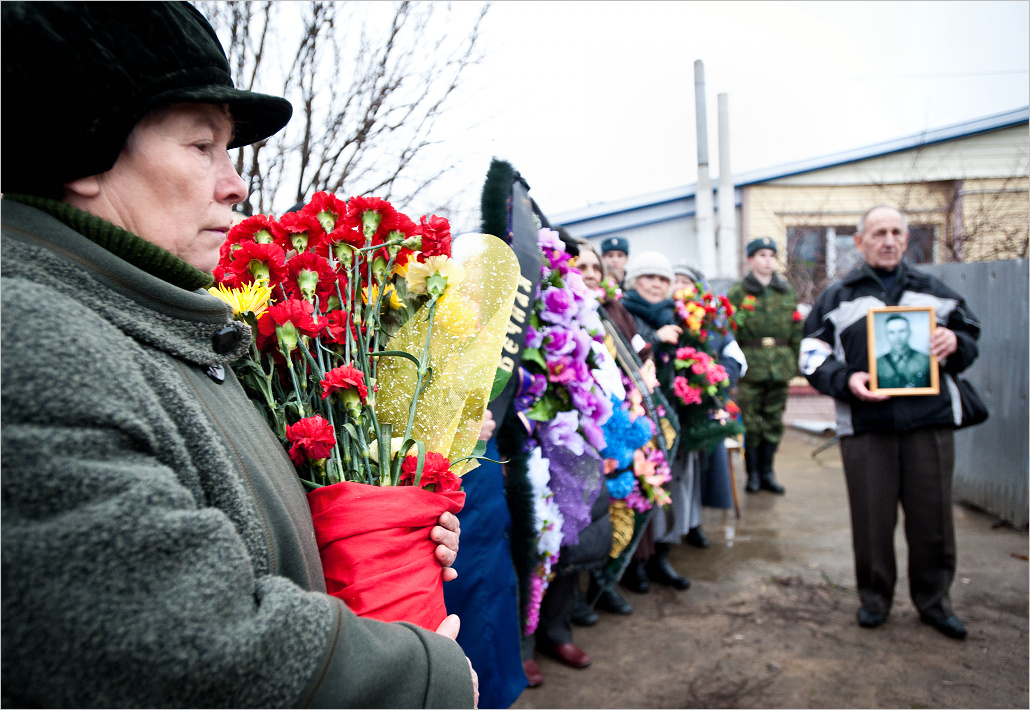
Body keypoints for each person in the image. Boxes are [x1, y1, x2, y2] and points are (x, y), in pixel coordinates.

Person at [1, 3, 476, 706]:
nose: (235, 183)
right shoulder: (31, 340)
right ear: (83, 150)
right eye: (203, 146)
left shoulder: (155, 327)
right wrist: (420, 678)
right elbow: (182, 651)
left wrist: (376, 536)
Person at [800, 205, 981, 640]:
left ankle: (935, 604)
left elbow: (971, 343)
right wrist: (846, 379)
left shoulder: (936, 292)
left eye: (896, 232)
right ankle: (875, 600)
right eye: (878, 232)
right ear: (859, 241)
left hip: (929, 423)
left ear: (906, 239)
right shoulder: (837, 297)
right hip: (866, 425)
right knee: (872, 520)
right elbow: (810, 355)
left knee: (933, 519)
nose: (888, 239)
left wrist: (955, 342)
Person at [619, 251, 692, 591]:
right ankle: (636, 564)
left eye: (663, 279)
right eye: (649, 277)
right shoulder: (624, 313)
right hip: (637, 418)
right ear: (633, 281)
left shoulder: (677, 315)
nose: (656, 284)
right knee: (642, 488)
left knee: (673, 488)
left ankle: (662, 558)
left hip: (674, 417)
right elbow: (625, 358)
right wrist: (655, 340)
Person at [672, 263, 748, 548]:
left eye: (686, 281)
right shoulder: (665, 316)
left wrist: (714, 379)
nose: (680, 286)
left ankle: (695, 524)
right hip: (673, 405)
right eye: (675, 280)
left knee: (704, 466)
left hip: (704, 404)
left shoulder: (712, 321)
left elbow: (735, 358)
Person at [726, 237, 802, 495]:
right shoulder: (738, 293)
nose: (767, 260)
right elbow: (730, 332)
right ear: (750, 260)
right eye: (761, 255)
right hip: (751, 366)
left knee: (773, 421)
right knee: (750, 422)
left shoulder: (786, 291)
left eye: (771, 255)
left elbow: (796, 331)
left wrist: (793, 361)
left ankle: (768, 472)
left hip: (779, 366)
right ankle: (753, 475)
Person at [876, 315, 931, 389]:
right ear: (886, 335)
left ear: (909, 332)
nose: (897, 337)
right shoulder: (877, 363)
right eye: (892, 332)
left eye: (901, 331)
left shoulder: (926, 360)